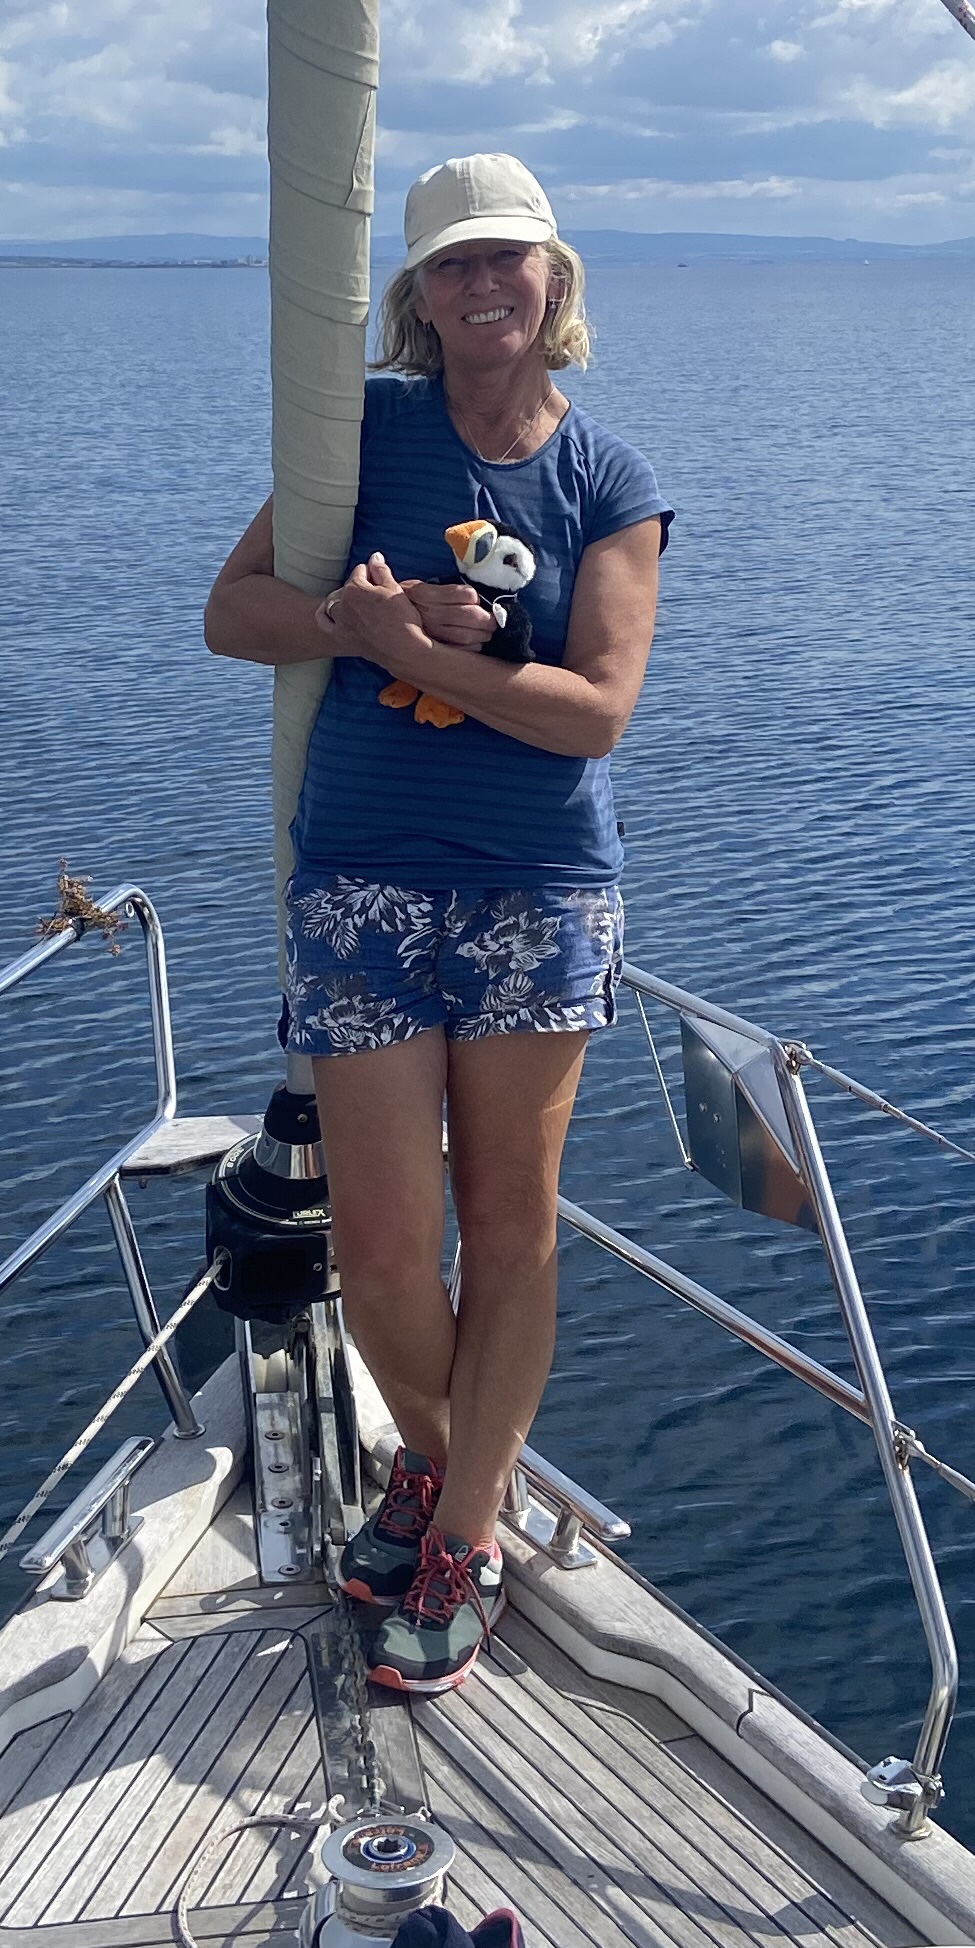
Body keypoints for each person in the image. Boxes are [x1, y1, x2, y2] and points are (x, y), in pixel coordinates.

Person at [202, 153, 674, 1698]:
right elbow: (231, 611)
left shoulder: (608, 480)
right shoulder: (364, 437)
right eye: (453, 265)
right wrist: (357, 623)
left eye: (507, 259)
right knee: (386, 1241)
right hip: (362, 875)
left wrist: (424, 658)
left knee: (511, 1223)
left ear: (555, 279)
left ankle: (460, 1530)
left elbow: (595, 712)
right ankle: (452, 1463)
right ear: (418, 295)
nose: (484, 287)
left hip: (537, 887)